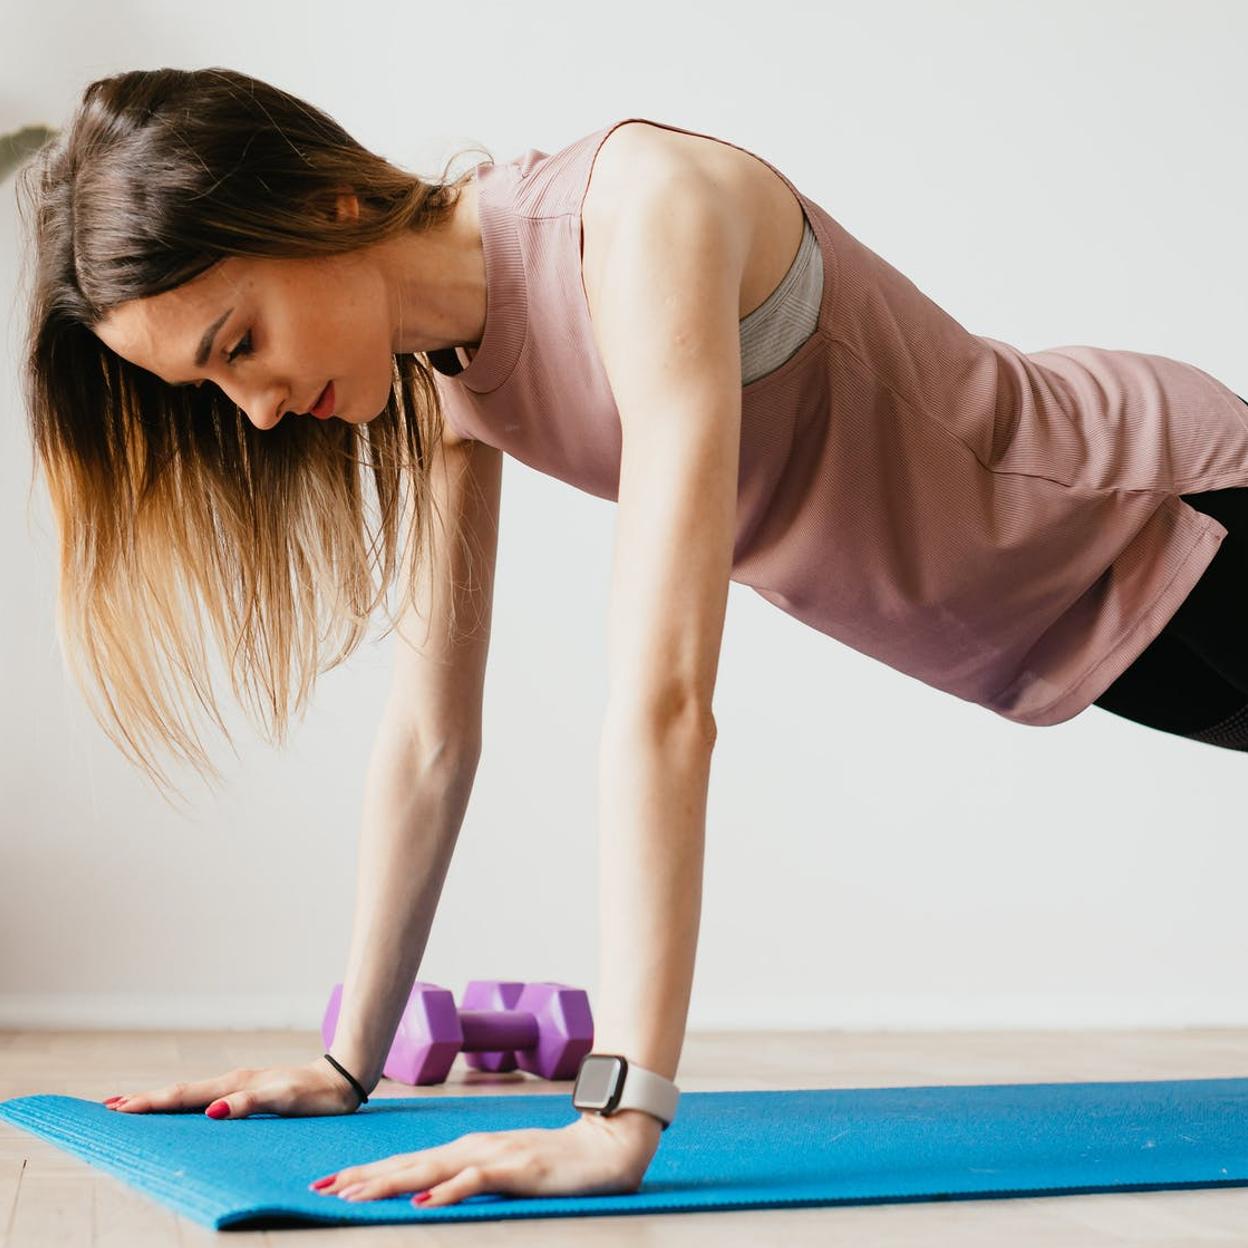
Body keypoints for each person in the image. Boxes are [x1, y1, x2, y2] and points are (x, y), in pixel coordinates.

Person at [19, 66, 1248, 1210]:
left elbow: (666, 695)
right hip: (1079, 634)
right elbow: (432, 737)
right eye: (211, 387)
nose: (260, 406)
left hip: (1163, 519)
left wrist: (621, 1110)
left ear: (325, 202)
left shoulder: (637, 217)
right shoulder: (445, 382)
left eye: (239, 343)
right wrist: (347, 1062)